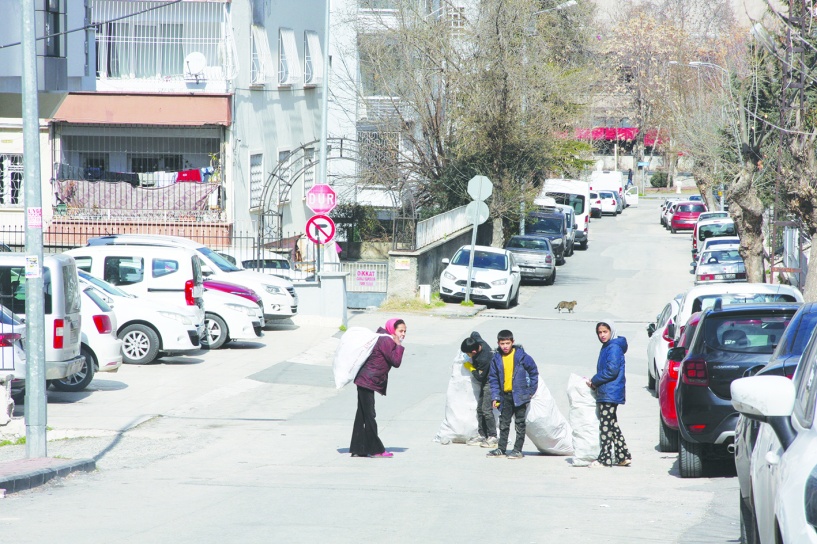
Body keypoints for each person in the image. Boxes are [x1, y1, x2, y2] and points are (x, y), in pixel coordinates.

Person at [350, 318, 406, 458]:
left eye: (405, 331)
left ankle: (359, 449)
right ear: (392, 330)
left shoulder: (383, 337)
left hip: (365, 380)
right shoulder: (386, 340)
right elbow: (396, 362)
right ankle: (376, 450)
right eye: (400, 331)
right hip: (367, 381)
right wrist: (399, 345)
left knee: (362, 415)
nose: (403, 334)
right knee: (369, 415)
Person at [486, 329, 539, 459]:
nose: (505, 346)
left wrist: (530, 391)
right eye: (502, 343)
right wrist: (495, 396)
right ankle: (501, 448)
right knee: (504, 424)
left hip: (520, 395)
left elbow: (533, 372)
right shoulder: (496, 359)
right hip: (505, 397)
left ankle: (517, 450)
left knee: (520, 424)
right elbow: (493, 378)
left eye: (507, 343)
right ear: (498, 343)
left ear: (512, 342)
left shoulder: (522, 357)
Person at [586, 321, 632, 467]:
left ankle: (605, 458)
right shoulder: (608, 346)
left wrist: (594, 380)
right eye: (599, 332)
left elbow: (612, 371)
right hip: (608, 391)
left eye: (605, 332)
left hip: (609, 391)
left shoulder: (613, 347)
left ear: (611, 331)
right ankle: (623, 456)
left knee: (605, 426)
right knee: (612, 424)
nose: (602, 335)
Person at [460, 332, 498, 448]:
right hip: (486, 380)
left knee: (486, 410)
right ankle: (482, 435)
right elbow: (475, 333)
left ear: (474, 351)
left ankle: (493, 437)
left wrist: (472, 368)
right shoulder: (478, 341)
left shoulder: (484, 358)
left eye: (468, 354)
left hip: (490, 382)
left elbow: (480, 377)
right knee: (480, 409)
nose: (468, 355)